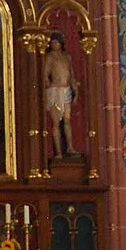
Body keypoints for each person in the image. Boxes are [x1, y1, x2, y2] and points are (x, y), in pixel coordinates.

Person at [43, 31, 77, 159]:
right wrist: (50, 86)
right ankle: (58, 152)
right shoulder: (50, 57)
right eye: (52, 42)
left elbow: (71, 75)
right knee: (56, 123)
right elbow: (45, 75)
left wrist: (75, 91)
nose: (53, 44)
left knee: (67, 120)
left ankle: (70, 147)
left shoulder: (67, 57)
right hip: (55, 90)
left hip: (66, 89)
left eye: (56, 42)